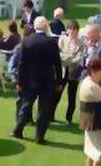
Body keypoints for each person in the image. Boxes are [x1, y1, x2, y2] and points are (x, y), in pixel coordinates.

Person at [10, 16, 62, 144]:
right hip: (47, 80)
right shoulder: (52, 42)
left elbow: (22, 64)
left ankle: (18, 130)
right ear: (46, 27)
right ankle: (39, 136)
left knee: (26, 105)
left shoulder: (27, 41)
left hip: (30, 80)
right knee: (44, 109)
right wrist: (59, 82)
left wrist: (20, 82)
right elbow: (57, 64)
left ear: (34, 26)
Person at [78, 57, 101, 166]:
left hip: (87, 118)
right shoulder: (92, 86)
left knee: (90, 145)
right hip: (95, 120)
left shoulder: (86, 81)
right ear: (94, 72)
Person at [55, 20, 85, 124]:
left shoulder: (81, 43)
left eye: (74, 29)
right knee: (57, 94)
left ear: (77, 30)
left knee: (71, 97)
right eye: (70, 29)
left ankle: (69, 118)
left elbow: (78, 59)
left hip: (74, 72)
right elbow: (59, 55)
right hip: (63, 71)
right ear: (67, 30)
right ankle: (50, 115)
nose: (72, 31)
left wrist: (67, 57)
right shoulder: (62, 39)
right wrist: (70, 56)